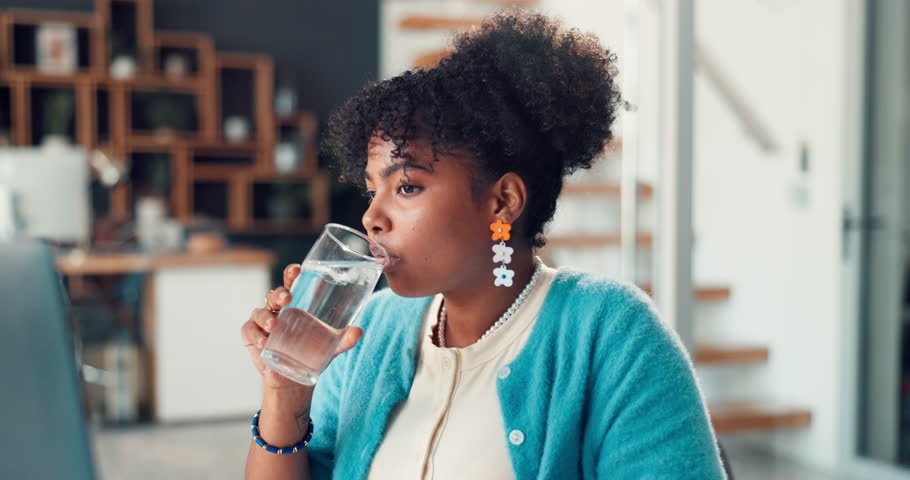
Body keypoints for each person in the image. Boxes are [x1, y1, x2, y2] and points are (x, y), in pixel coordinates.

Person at [242, 10, 727, 480]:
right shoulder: (372, 326)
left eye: (407, 186)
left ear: (503, 201)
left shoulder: (611, 333)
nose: (371, 216)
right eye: (373, 190)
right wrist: (285, 396)